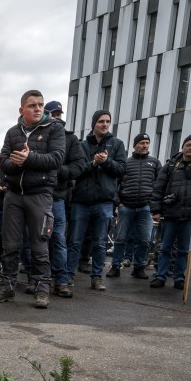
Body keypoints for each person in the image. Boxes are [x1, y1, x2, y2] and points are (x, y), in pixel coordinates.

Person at [0, 90, 67, 309]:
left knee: (39, 244)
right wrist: (15, 163)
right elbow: (3, 161)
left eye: (41, 105)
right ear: (21, 110)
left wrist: (28, 158)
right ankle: (7, 287)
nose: (38, 109)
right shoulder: (12, 132)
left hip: (40, 194)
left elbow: (56, 159)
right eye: (33, 105)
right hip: (14, 194)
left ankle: (42, 289)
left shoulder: (55, 129)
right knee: (10, 244)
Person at [68, 110, 126, 291]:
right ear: (94, 124)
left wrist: (107, 162)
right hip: (81, 201)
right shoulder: (82, 145)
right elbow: (75, 170)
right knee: (75, 241)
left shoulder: (117, 144)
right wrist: (92, 164)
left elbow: (122, 170)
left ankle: (97, 278)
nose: (105, 124)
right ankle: (68, 276)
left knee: (100, 243)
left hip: (104, 201)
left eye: (108, 121)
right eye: (101, 121)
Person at [150, 135, 191, 292]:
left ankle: (179, 277)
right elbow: (158, 187)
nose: (190, 148)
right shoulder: (171, 165)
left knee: (184, 250)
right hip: (171, 213)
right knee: (165, 248)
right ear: (182, 147)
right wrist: (156, 210)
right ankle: (161, 275)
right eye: (188, 145)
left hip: (189, 215)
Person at [47, 100, 87, 298]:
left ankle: (61, 280)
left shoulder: (70, 139)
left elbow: (78, 166)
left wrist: (56, 170)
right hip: (36, 195)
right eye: (52, 113)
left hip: (57, 197)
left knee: (58, 239)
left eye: (58, 114)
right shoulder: (37, 133)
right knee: (34, 240)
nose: (56, 117)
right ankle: (37, 279)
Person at [113, 133, 161, 279]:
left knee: (145, 240)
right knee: (120, 238)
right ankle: (115, 266)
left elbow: (160, 185)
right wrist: (118, 202)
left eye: (147, 142)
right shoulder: (125, 162)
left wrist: (155, 205)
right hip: (126, 206)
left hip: (146, 207)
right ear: (134, 145)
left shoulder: (155, 163)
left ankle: (139, 267)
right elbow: (116, 183)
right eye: (141, 143)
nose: (144, 145)